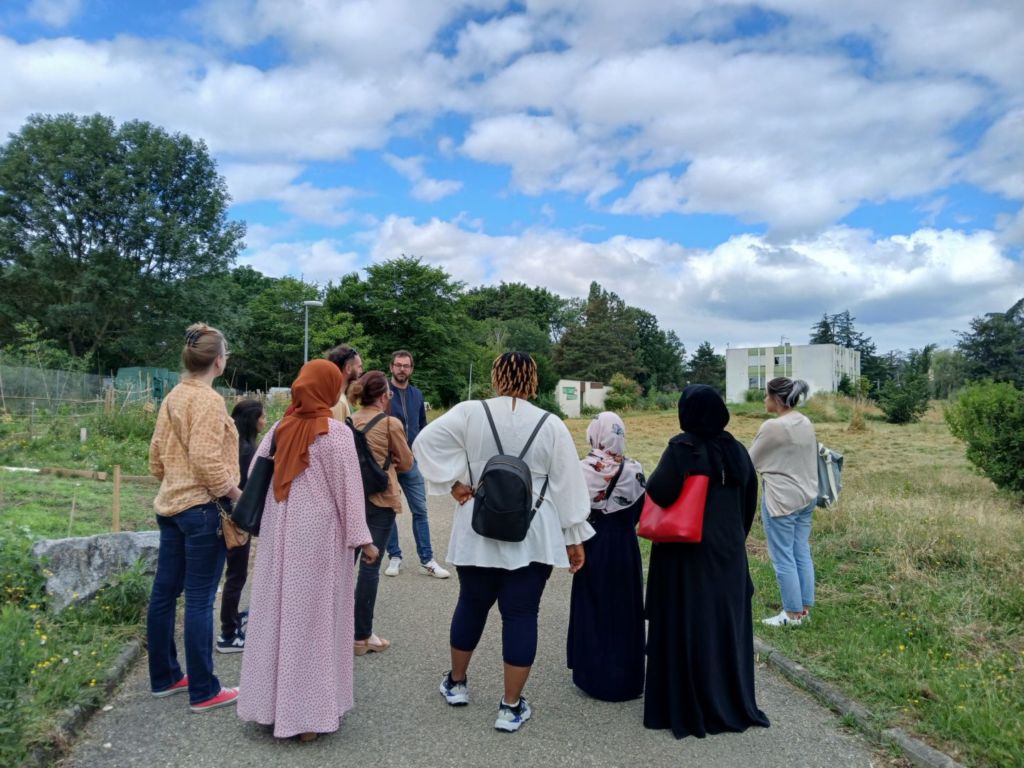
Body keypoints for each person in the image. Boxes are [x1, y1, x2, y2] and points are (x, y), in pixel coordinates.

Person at [413, 352, 594, 733]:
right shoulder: (551, 424)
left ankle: (457, 684)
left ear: (496, 378)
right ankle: (510, 707)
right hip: (532, 533)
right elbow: (567, 484)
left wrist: (454, 484)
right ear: (533, 380)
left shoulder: (469, 412)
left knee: (471, 605)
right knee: (521, 615)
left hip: (477, 525)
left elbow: (424, 442)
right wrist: (574, 536)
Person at [237, 359, 378, 741]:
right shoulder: (336, 435)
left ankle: (270, 708)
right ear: (330, 389)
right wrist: (363, 540)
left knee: (275, 616)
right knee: (313, 624)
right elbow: (349, 493)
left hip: (278, 534)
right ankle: (307, 719)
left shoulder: (279, 430)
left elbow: (254, 478)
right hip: (318, 540)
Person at [643, 385, 770, 739]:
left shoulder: (683, 447)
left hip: (685, 556)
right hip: (728, 554)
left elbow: (659, 491)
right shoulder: (737, 451)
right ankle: (729, 701)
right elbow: (748, 506)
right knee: (724, 629)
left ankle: (688, 703)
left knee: (687, 626)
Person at [147, 323, 243, 712]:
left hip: (169, 506)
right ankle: (204, 689)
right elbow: (207, 459)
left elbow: (155, 456)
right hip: (202, 510)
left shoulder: (172, 396)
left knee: (164, 594)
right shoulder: (208, 400)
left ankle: (165, 676)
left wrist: (175, 479)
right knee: (201, 599)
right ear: (218, 361)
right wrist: (236, 494)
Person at [566, 411, 646, 701]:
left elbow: (573, 510)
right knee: (625, 609)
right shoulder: (635, 469)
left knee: (594, 606)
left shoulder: (584, 469)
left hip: (594, 543)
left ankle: (594, 674)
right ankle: (627, 677)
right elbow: (638, 512)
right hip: (625, 546)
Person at [348, 370, 415, 655]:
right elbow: (407, 462)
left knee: (343, 566)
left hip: (352, 499)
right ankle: (362, 636)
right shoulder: (390, 423)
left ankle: (336, 630)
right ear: (384, 395)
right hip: (381, 500)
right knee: (371, 567)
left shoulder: (347, 420)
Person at [748, 377, 818, 627]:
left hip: (782, 499)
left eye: (766, 394)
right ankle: (805, 609)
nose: (764, 399)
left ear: (777, 398)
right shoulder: (804, 421)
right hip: (807, 495)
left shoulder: (773, 426)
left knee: (782, 557)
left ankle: (791, 614)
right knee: (801, 551)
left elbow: (749, 461)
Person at [383, 350, 450, 579]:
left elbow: (423, 427)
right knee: (389, 510)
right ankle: (394, 556)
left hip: (411, 462)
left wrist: (422, 455)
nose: (402, 369)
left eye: (406, 366)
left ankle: (427, 559)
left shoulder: (417, 395)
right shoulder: (383, 394)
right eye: (398, 365)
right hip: (388, 463)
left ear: (411, 369)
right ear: (391, 367)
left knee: (420, 510)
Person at [216, 399, 265, 653]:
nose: (264, 421)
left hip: (227, 515)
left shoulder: (234, 445)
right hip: (236, 518)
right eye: (262, 416)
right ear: (252, 419)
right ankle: (228, 633)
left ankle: (232, 617)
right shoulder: (246, 450)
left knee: (233, 574)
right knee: (236, 574)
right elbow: (246, 487)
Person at [327, 344, 363, 421]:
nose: (361, 371)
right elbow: (337, 433)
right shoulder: (339, 402)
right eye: (359, 367)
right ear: (348, 368)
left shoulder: (333, 396)